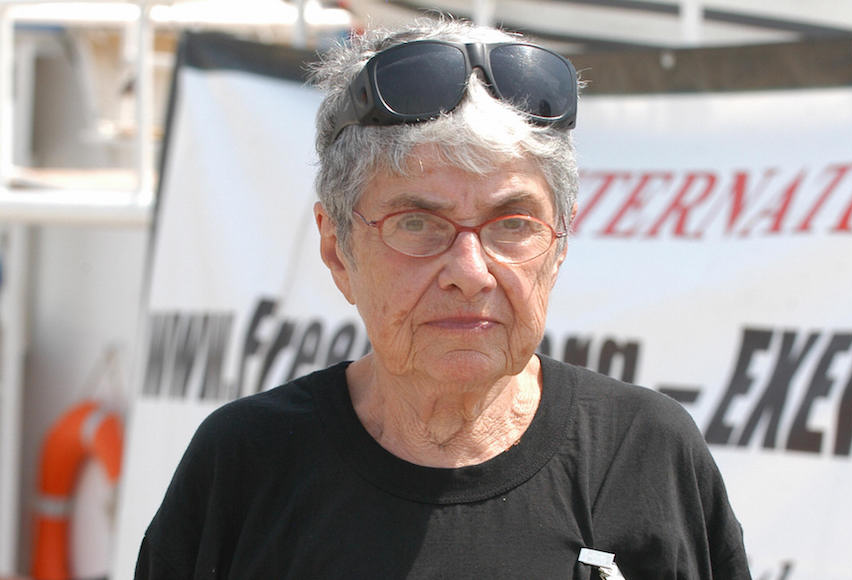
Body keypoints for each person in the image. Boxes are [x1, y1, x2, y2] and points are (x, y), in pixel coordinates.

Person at [134, 17, 751, 580]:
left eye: (512, 224)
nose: (470, 271)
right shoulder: (246, 465)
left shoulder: (644, 452)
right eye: (417, 225)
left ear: (559, 248)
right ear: (336, 249)